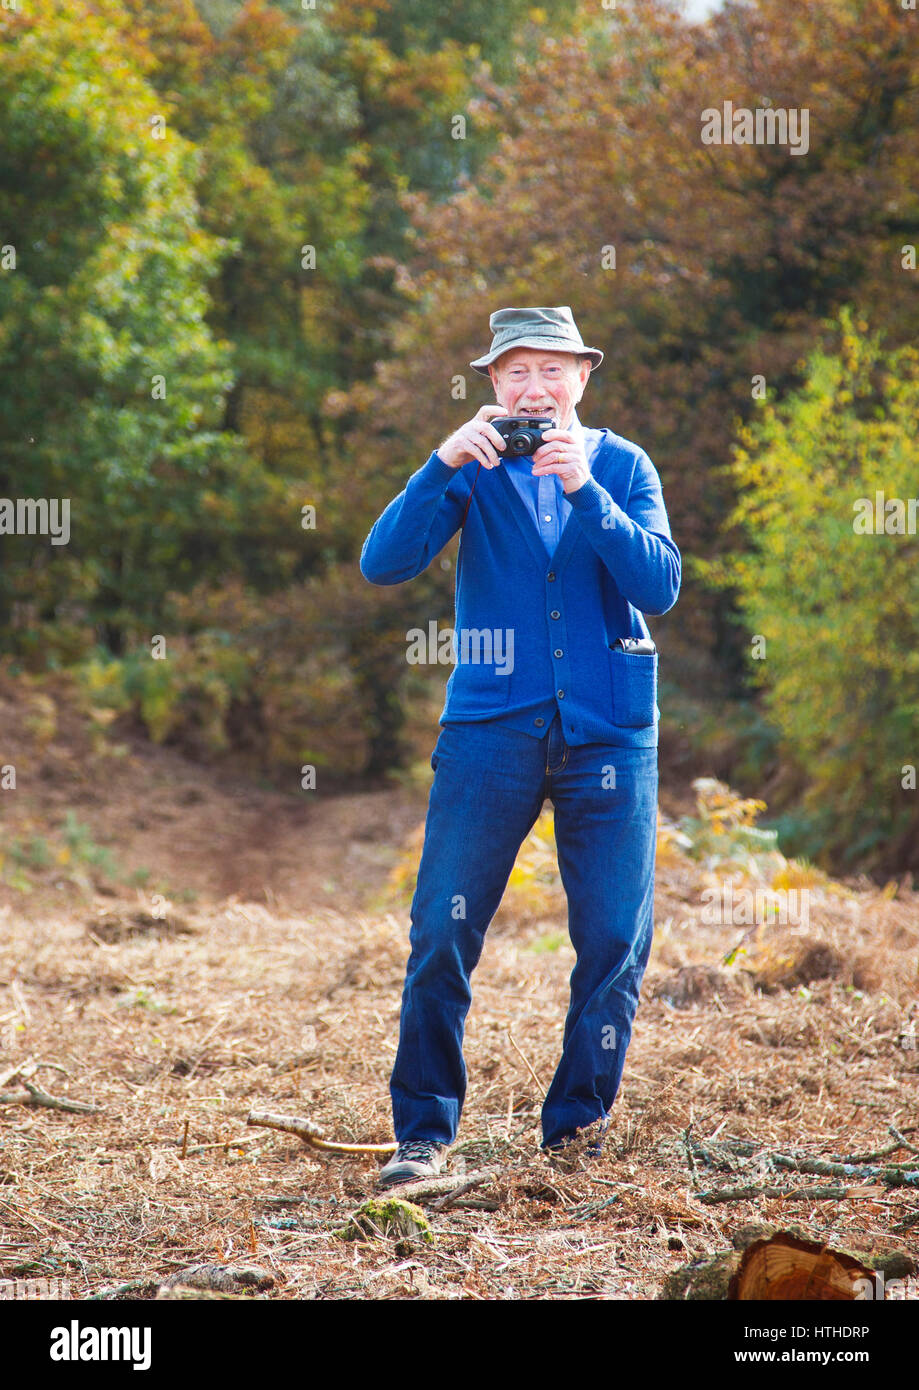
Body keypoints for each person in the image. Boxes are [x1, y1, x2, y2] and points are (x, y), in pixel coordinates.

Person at [359, 306, 681, 1187]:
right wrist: (438, 465)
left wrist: (589, 493)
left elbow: (658, 583)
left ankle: (574, 1138)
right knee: (439, 933)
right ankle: (423, 1136)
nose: (532, 390)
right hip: (490, 734)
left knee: (614, 940)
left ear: (582, 377)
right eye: (514, 374)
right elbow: (382, 565)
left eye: (549, 372)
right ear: (492, 385)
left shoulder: (620, 465)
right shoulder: (472, 468)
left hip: (608, 735)